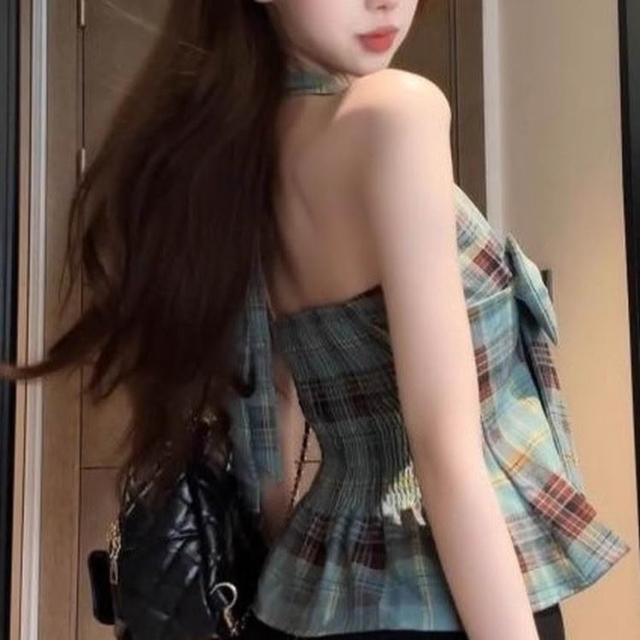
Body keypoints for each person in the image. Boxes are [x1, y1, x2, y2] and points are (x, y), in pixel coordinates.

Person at [0, 1, 629, 639]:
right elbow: (444, 451)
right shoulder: (396, 113)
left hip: (308, 591)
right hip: (455, 591)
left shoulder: (245, 153)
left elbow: (268, 424)